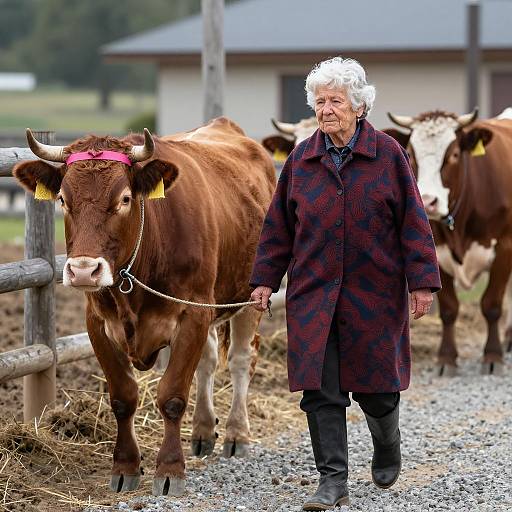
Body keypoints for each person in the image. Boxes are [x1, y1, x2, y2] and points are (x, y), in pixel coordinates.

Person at [250, 57, 441, 510]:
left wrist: (422, 282)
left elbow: (414, 223)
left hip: (374, 292)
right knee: (320, 390)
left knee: (377, 389)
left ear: (359, 105)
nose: (326, 109)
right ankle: (332, 480)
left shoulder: (388, 155)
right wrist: (263, 280)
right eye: (320, 101)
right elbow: (279, 228)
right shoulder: (302, 158)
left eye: (335, 100)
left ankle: (387, 440)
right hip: (314, 294)